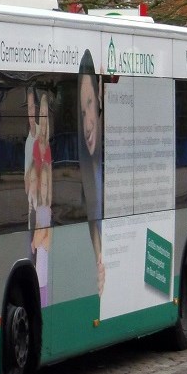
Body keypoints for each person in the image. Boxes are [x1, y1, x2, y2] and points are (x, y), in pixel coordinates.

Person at [78, 50, 105, 296]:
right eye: (82, 112)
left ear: (99, 97)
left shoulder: (110, 158)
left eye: (90, 105)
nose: (88, 124)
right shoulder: (85, 172)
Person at [27, 88, 53, 306]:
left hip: (43, 204)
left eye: (45, 114)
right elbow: (34, 174)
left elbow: (49, 177)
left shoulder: (48, 146)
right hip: (36, 202)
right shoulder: (36, 144)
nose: (42, 120)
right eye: (40, 114)